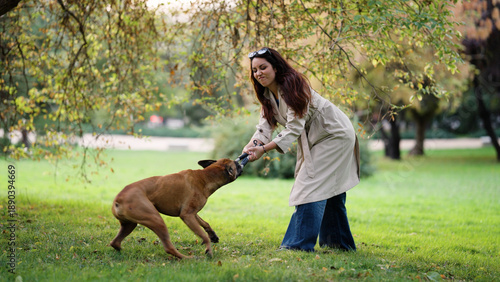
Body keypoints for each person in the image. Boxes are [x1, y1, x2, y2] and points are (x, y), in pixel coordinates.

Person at [242, 47, 360, 252]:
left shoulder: (293, 87)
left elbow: (293, 128)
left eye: (263, 67)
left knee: (309, 184)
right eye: (254, 70)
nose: (258, 73)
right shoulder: (268, 95)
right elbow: (264, 127)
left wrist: (265, 149)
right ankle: (338, 243)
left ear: (276, 67)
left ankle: (297, 245)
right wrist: (253, 146)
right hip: (318, 139)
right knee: (330, 189)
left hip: (334, 135)